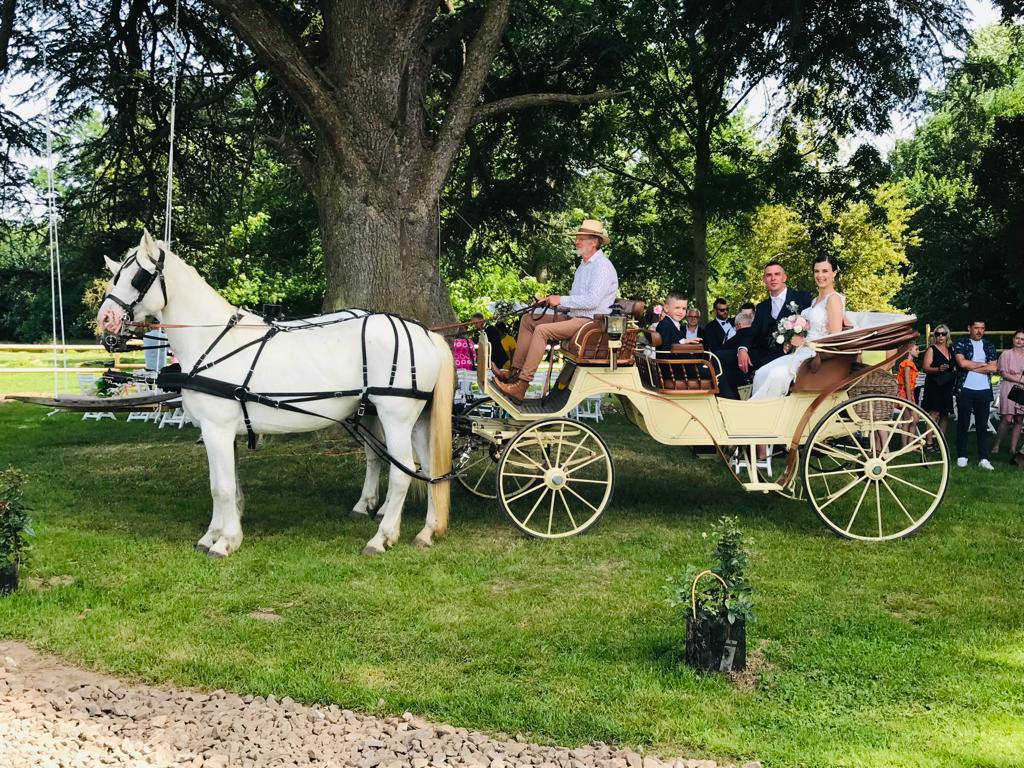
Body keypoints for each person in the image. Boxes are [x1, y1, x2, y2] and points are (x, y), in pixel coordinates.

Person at [493, 219, 618, 402]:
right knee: (529, 319)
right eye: (577, 238)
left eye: (581, 239)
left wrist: (560, 299)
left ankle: (522, 385)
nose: (577, 242)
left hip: (590, 322)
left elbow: (592, 301)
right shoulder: (583, 267)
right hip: (574, 317)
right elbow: (576, 301)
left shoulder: (603, 267)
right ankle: (514, 374)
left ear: (594, 242)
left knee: (542, 331)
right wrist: (550, 302)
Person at [749, 254, 846, 400]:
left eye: (825, 271)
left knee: (776, 375)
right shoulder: (814, 300)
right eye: (816, 271)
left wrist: (804, 342)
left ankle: (766, 414)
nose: (820, 275)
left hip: (817, 356)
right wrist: (792, 340)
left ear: (834, 273)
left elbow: (834, 340)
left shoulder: (833, 299)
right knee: (762, 372)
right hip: (802, 352)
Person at [717, 262, 813, 399]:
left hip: (789, 354)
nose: (773, 278)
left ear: (784, 277)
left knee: (762, 370)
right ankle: (734, 403)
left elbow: (812, 324)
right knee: (719, 358)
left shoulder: (802, 298)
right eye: (769, 275)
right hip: (763, 353)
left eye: (777, 274)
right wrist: (743, 349)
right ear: (764, 280)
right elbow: (752, 332)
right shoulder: (762, 307)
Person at [952, 318, 998, 470]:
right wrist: (983, 365)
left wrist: (971, 365)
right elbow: (961, 363)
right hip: (965, 388)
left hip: (984, 389)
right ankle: (962, 455)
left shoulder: (989, 345)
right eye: (977, 328)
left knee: (982, 424)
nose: (980, 331)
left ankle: (984, 458)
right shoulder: (961, 343)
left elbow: (993, 368)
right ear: (969, 328)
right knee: (963, 423)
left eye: (982, 328)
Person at [920, 324, 955, 450]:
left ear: (947, 335)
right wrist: (938, 369)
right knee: (933, 413)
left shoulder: (951, 350)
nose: (940, 336)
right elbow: (925, 367)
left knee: (945, 413)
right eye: (938, 334)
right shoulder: (931, 349)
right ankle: (928, 442)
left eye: (943, 334)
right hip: (934, 384)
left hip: (947, 385)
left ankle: (940, 441)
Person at [993, 329, 1024, 455]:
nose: (1019, 341)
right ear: (1013, 339)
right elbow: (1003, 373)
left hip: (1022, 389)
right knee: (1007, 418)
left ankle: (1013, 447)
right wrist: (1019, 379)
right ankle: (997, 444)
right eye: (1017, 338)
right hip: (1009, 387)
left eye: (1022, 339)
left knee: (1019, 419)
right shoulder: (1006, 354)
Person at [896, 345, 921, 448]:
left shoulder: (910, 364)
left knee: (914, 420)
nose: (918, 351)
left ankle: (909, 444)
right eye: (916, 349)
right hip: (905, 394)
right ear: (909, 351)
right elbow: (906, 382)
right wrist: (909, 399)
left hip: (908, 393)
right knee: (907, 420)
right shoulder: (907, 364)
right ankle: (905, 445)